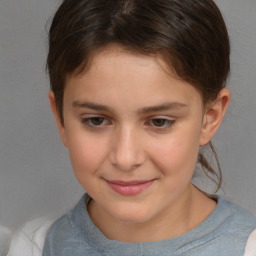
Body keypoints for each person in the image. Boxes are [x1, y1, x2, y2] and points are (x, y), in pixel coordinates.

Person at [7, 0, 256, 255]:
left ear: (209, 118)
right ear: (60, 118)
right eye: (96, 120)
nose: (125, 158)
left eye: (159, 122)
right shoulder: (35, 248)